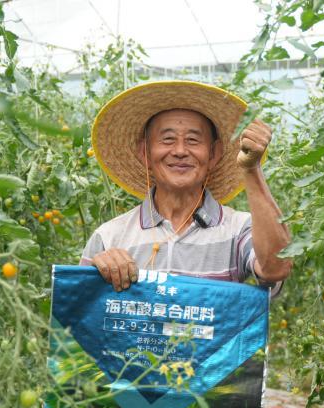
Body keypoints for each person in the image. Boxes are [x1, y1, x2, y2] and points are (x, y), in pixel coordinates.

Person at [80, 80, 292, 292]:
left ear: (214, 154)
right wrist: (98, 274)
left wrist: (251, 167)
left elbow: (275, 268)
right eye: (167, 139)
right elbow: (79, 305)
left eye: (193, 140)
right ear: (145, 153)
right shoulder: (109, 237)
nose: (180, 151)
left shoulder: (238, 229)